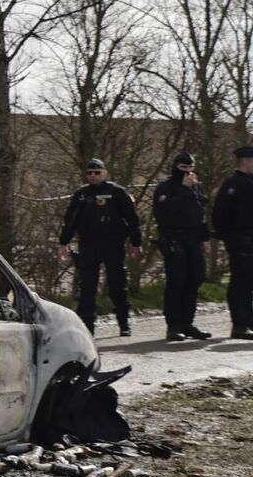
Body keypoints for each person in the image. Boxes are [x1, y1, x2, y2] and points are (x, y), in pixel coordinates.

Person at [59, 158, 144, 336]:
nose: (93, 176)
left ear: (105, 173)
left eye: (97, 172)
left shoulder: (118, 193)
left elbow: (132, 219)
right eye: (89, 172)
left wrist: (136, 243)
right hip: (89, 245)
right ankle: (88, 327)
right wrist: (63, 243)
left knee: (117, 284)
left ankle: (123, 323)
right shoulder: (81, 195)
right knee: (88, 286)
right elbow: (70, 221)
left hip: (114, 244)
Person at [152, 151, 212, 341]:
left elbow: (200, 212)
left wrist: (205, 237)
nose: (187, 172)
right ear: (175, 167)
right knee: (176, 281)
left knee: (196, 278)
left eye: (190, 168)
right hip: (174, 237)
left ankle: (188, 323)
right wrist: (184, 189)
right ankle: (174, 325)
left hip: (193, 238)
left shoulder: (197, 187)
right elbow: (164, 212)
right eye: (183, 168)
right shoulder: (166, 188)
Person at [216, 145, 253, 339]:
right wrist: (230, 238)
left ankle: (248, 320)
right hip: (240, 239)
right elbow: (221, 215)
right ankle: (239, 324)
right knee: (241, 281)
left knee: (249, 283)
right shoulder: (234, 184)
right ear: (247, 161)